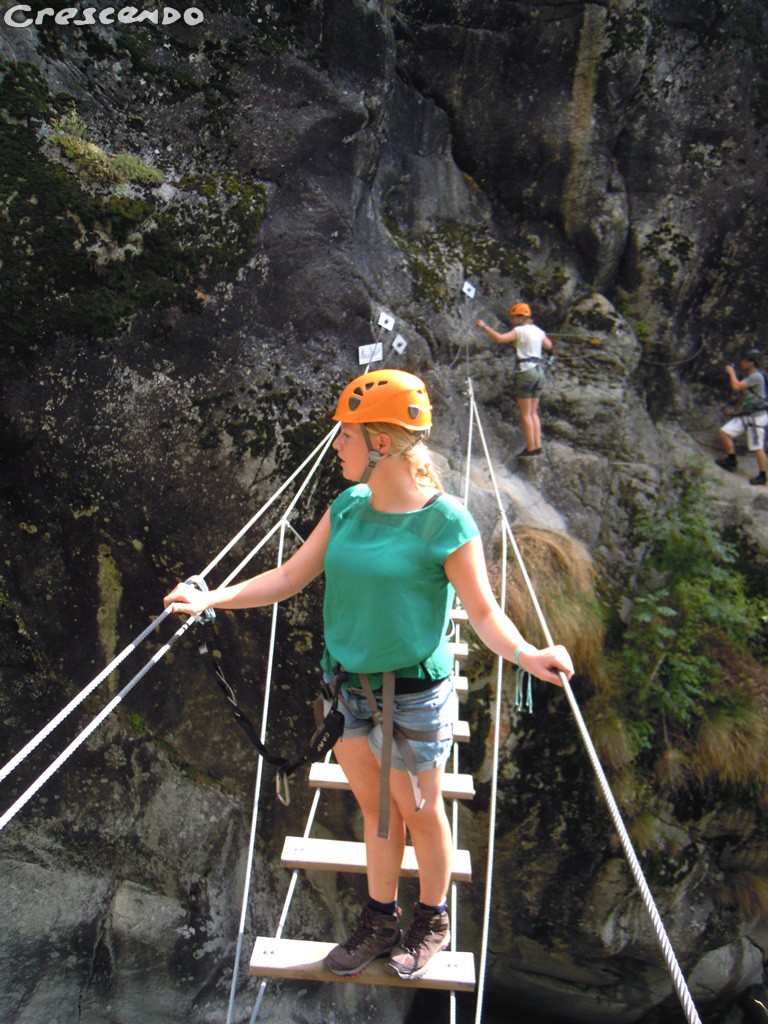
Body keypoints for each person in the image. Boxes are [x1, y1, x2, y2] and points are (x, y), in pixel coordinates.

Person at [164, 369, 573, 981]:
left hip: (413, 695)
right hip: (348, 690)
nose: (335, 446)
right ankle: (380, 919)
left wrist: (527, 654)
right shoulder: (349, 506)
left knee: (416, 810)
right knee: (376, 813)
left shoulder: (447, 523)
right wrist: (211, 599)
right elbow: (288, 578)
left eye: (345, 436)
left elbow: (483, 614)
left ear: (381, 443)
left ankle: (431, 919)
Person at [476, 301, 553, 458]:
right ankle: (537, 445)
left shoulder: (519, 331)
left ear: (519, 318)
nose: (511, 321)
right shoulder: (537, 331)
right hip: (539, 372)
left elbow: (499, 338)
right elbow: (549, 345)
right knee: (533, 412)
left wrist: (484, 326)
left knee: (526, 413)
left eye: (513, 318)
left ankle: (531, 448)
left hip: (525, 372)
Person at [715, 348, 767, 486]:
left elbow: (736, 386)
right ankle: (731, 460)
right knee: (724, 432)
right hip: (746, 415)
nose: (742, 362)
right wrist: (734, 411)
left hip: (757, 417)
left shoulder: (756, 376)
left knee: (756, 447)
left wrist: (731, 373)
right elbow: (745, 397)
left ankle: (763, 476)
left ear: (752, 362)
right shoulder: (750, 377)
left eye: (745, 360)